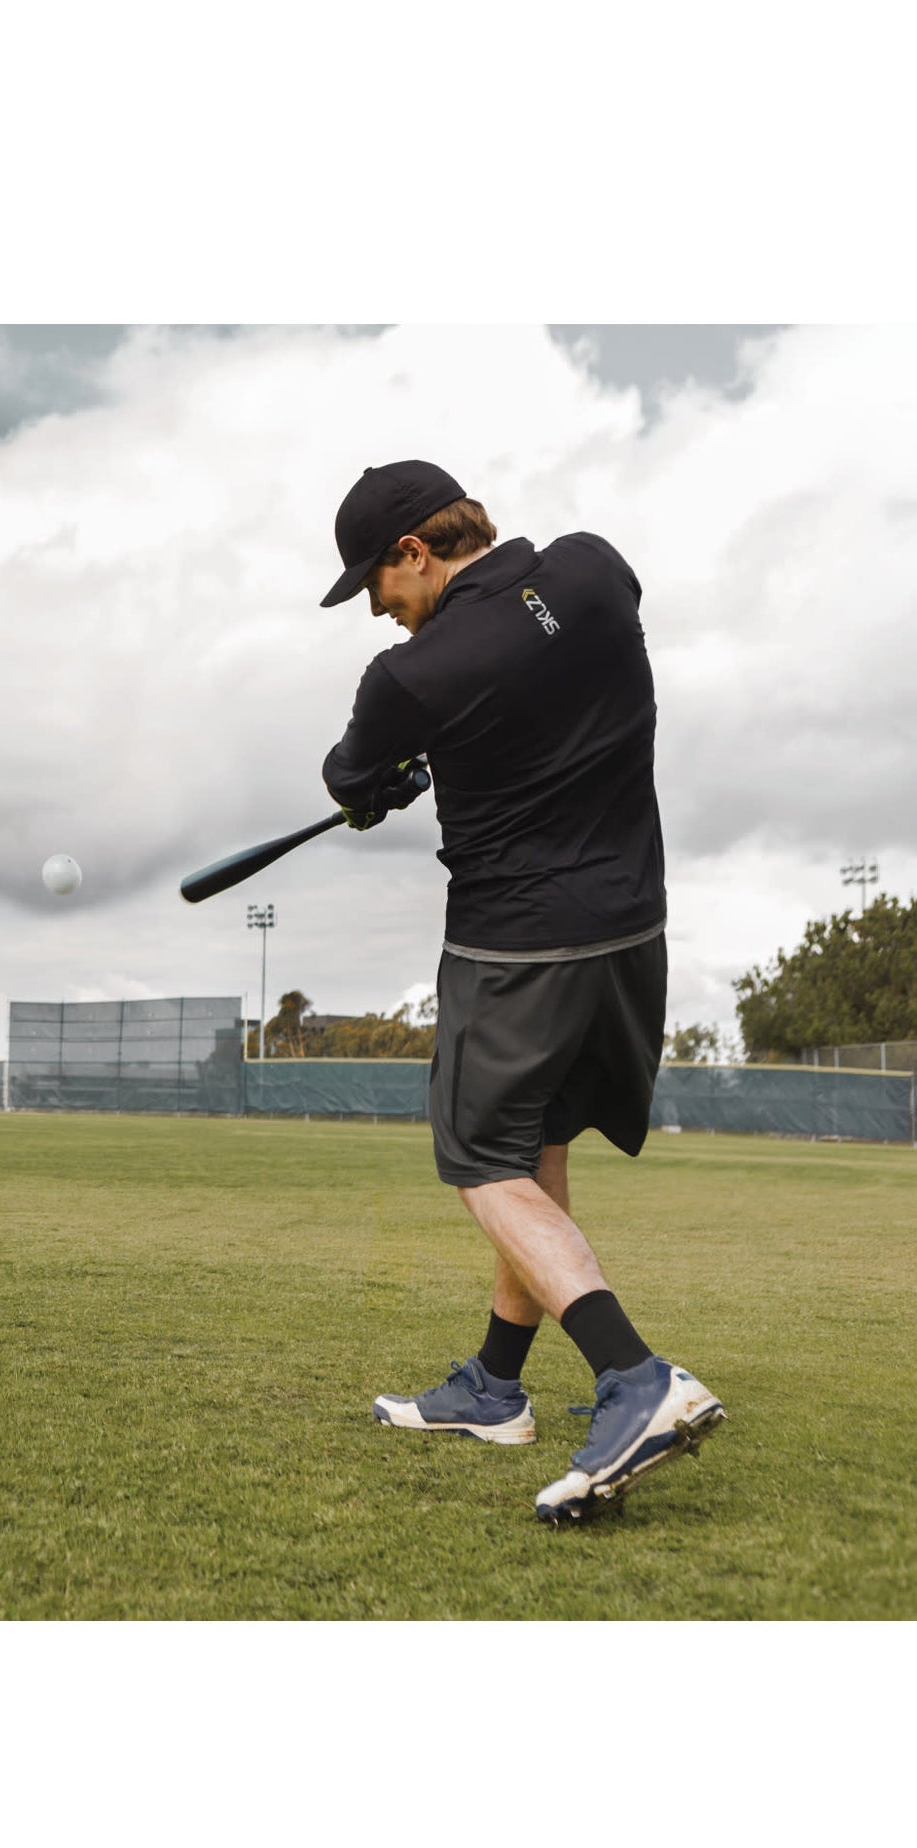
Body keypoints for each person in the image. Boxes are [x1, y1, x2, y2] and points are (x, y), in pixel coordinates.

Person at [317, 461, 723, 1524]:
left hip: (514, 949)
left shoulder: (404, 679)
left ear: (414, 549)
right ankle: (495, 1387)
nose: (379, 609)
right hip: (631, 928)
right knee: (535, 1152)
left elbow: (350, 776)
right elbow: (542, 662)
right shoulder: (592, 569)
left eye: (376, 581)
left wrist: (387, 777)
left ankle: (634, 1376)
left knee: (480, 1162)